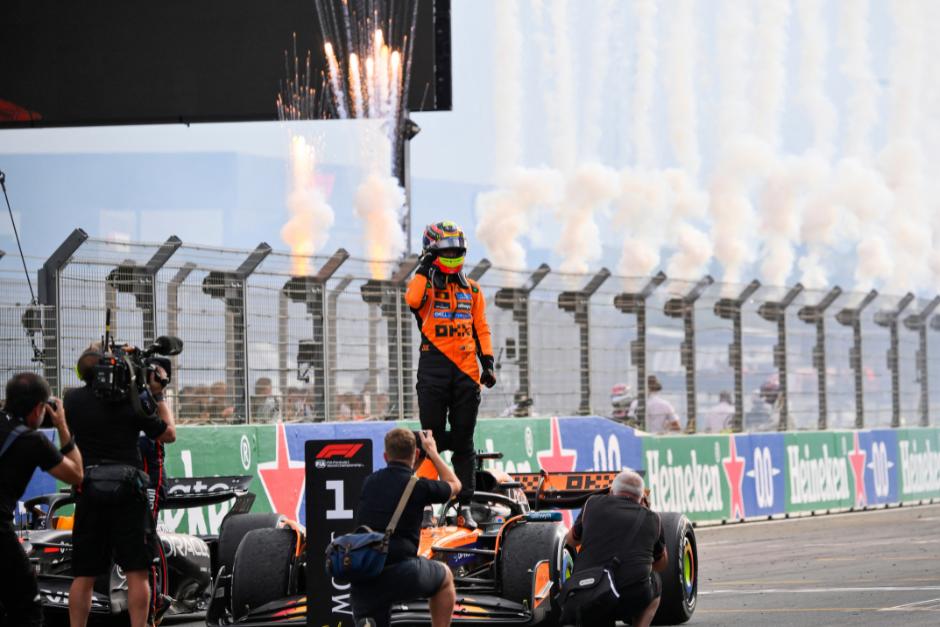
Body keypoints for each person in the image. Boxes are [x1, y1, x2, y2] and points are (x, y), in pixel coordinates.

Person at [66, 346, 177, 627]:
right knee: (137, 572)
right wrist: (157, 392)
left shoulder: (73, 400)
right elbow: (168, 433)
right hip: (129, 492)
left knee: (84, 575)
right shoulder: (133, 399)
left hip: (89, 488)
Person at [405, 221, 496, 529]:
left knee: (464, 442)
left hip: (467, 373)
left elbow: (481, 327)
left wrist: (489, 363)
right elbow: (412, 301)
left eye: (457, 250)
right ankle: (427, 507)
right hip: (433, 369)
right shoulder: (425, 285)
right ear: (431, 251)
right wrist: (423, 266)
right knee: (430, 438)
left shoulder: (473, 288)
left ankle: (465, 505)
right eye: (446, 250)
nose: (453, 254)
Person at [351, 429, 460, 627]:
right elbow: (455, 484)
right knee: (445, 576)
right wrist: (433, 453)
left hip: (366, 574)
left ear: (385, 456)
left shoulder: (369, 482)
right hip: (403, 573)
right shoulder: (419, 487)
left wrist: (413, 461)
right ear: (417, 454)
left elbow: (398, 480)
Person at [0, 372, 83, 627]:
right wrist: (61, 426)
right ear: (39, 409)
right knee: (28, 608)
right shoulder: (31, 439)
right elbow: (76, 474)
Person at [563, 469, 668, 627]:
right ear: (641, 498)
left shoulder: (591, 504)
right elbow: (661, 564)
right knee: (656, 583)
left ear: (611, 491)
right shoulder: (653, 519)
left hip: (588, 592)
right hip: (630, 598)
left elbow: (571, 541)